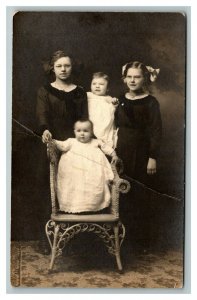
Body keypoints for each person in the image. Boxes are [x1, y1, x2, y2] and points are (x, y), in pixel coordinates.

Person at [35, 50, 88, 254]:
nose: (63, 69)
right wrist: (45, 129)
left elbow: (84, 118)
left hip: (75, 143)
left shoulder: (80, 92)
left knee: (73, 186)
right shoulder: (45, 90)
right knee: (49, 187)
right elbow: (42, 114)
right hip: (52, 141)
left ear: (71, 67)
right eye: (59, 66)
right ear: (52, 68)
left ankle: (74, 240)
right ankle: (47, 238)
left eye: (66, 66)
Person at [115, 61, 162, 252]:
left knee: (140, 195)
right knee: (121, 192)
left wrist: (153, 156)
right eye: (130, 77)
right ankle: (120, 240)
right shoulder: (119, 99)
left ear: (144, 79)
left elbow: (156, 131)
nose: (133, 80)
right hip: (122, 151)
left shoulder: (151, 102)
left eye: (137, 77)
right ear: (124, 79)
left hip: (142, 152)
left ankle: (141, 242)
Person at [51, 119, 119, 213]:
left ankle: (91, 207)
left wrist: (113, 154)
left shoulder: (95, 142)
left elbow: (105, 147)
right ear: (74, 131)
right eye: (79, 131)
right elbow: (61, 145)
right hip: (75, 173)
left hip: (92, 172)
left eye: (86, 131)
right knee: (74, 187)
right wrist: (52, 141)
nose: (82, 134)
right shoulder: (71, 142)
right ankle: (75, 206)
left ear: (91, 132)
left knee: (94, 186)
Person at [87, 72, 119, 148]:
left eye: (101, 84)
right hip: (91, 123)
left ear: (107, 88)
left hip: (103, 124)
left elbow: (113, 109)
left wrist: (114, 103)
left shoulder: (108, 98)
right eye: (94, 84)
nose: (97, 86)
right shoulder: (88, 95)